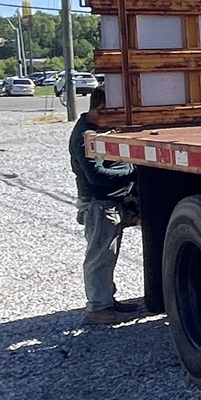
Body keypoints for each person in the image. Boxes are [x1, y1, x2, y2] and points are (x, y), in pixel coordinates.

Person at [70, 83, 141, 325]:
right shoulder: (85, 136)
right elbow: (97, 176)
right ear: (101, 108)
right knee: (100, 256)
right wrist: (133, 170)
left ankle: (106, 300)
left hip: (108, 203)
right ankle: (98, 308)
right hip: (98, 204)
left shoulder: (97, 131)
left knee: (107, 255)